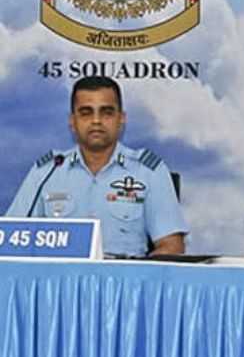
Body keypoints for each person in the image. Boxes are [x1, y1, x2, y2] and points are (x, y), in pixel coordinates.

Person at [4, 76, 188, 257]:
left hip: (123, 283)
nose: (96, 121)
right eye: (86, 112)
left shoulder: (148, 172)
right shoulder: (46, 172)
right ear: (72, 121)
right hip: (61, 283)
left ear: (121, 119)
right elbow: (11, 239)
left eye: (106, 112)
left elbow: (171, 246)